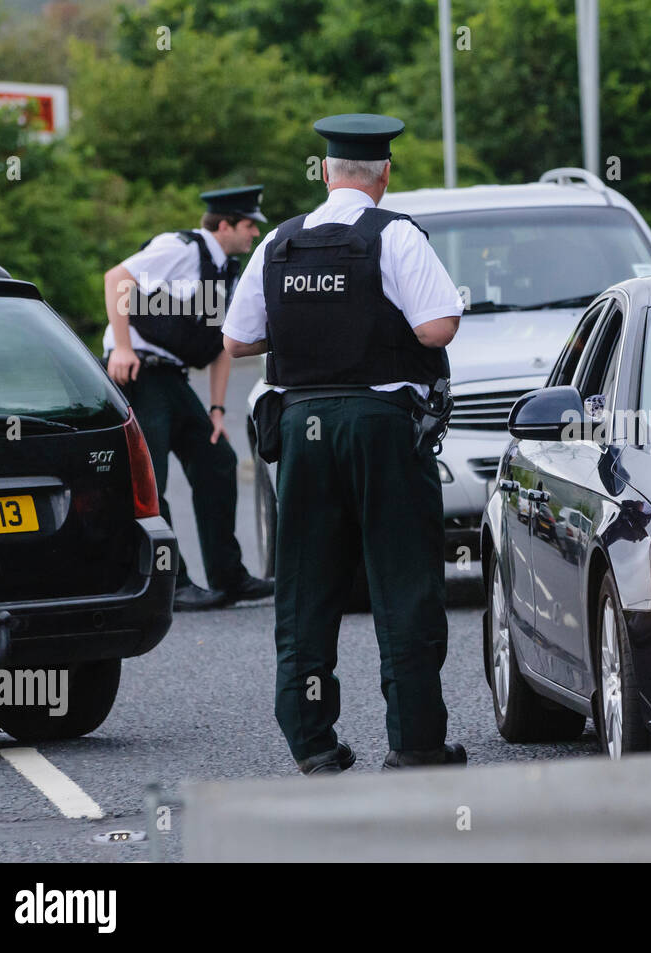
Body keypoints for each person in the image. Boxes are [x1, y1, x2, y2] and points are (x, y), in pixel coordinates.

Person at [222, 114, 467, 775]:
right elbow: (438, 328)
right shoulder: (396, 237)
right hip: (380, 424)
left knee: (305, 585)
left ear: (325, 172)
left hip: (302, 427)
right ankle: (415, 741)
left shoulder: (279, 240)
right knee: (404, 581)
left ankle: (313, 742)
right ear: (383, 176)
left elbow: (238, 339)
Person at [103, 186, 276, 611]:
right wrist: (122, 348)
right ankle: (171, 583)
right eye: (249, 225)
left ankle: (228, 576)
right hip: (138, 371)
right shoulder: (177, 248)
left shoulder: (226, 270)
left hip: (172, 379)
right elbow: (116, 278)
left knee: (217, 459)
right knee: (152, 479)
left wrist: (217, 410)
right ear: (225, 225)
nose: (255, 233)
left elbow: (223, 345)